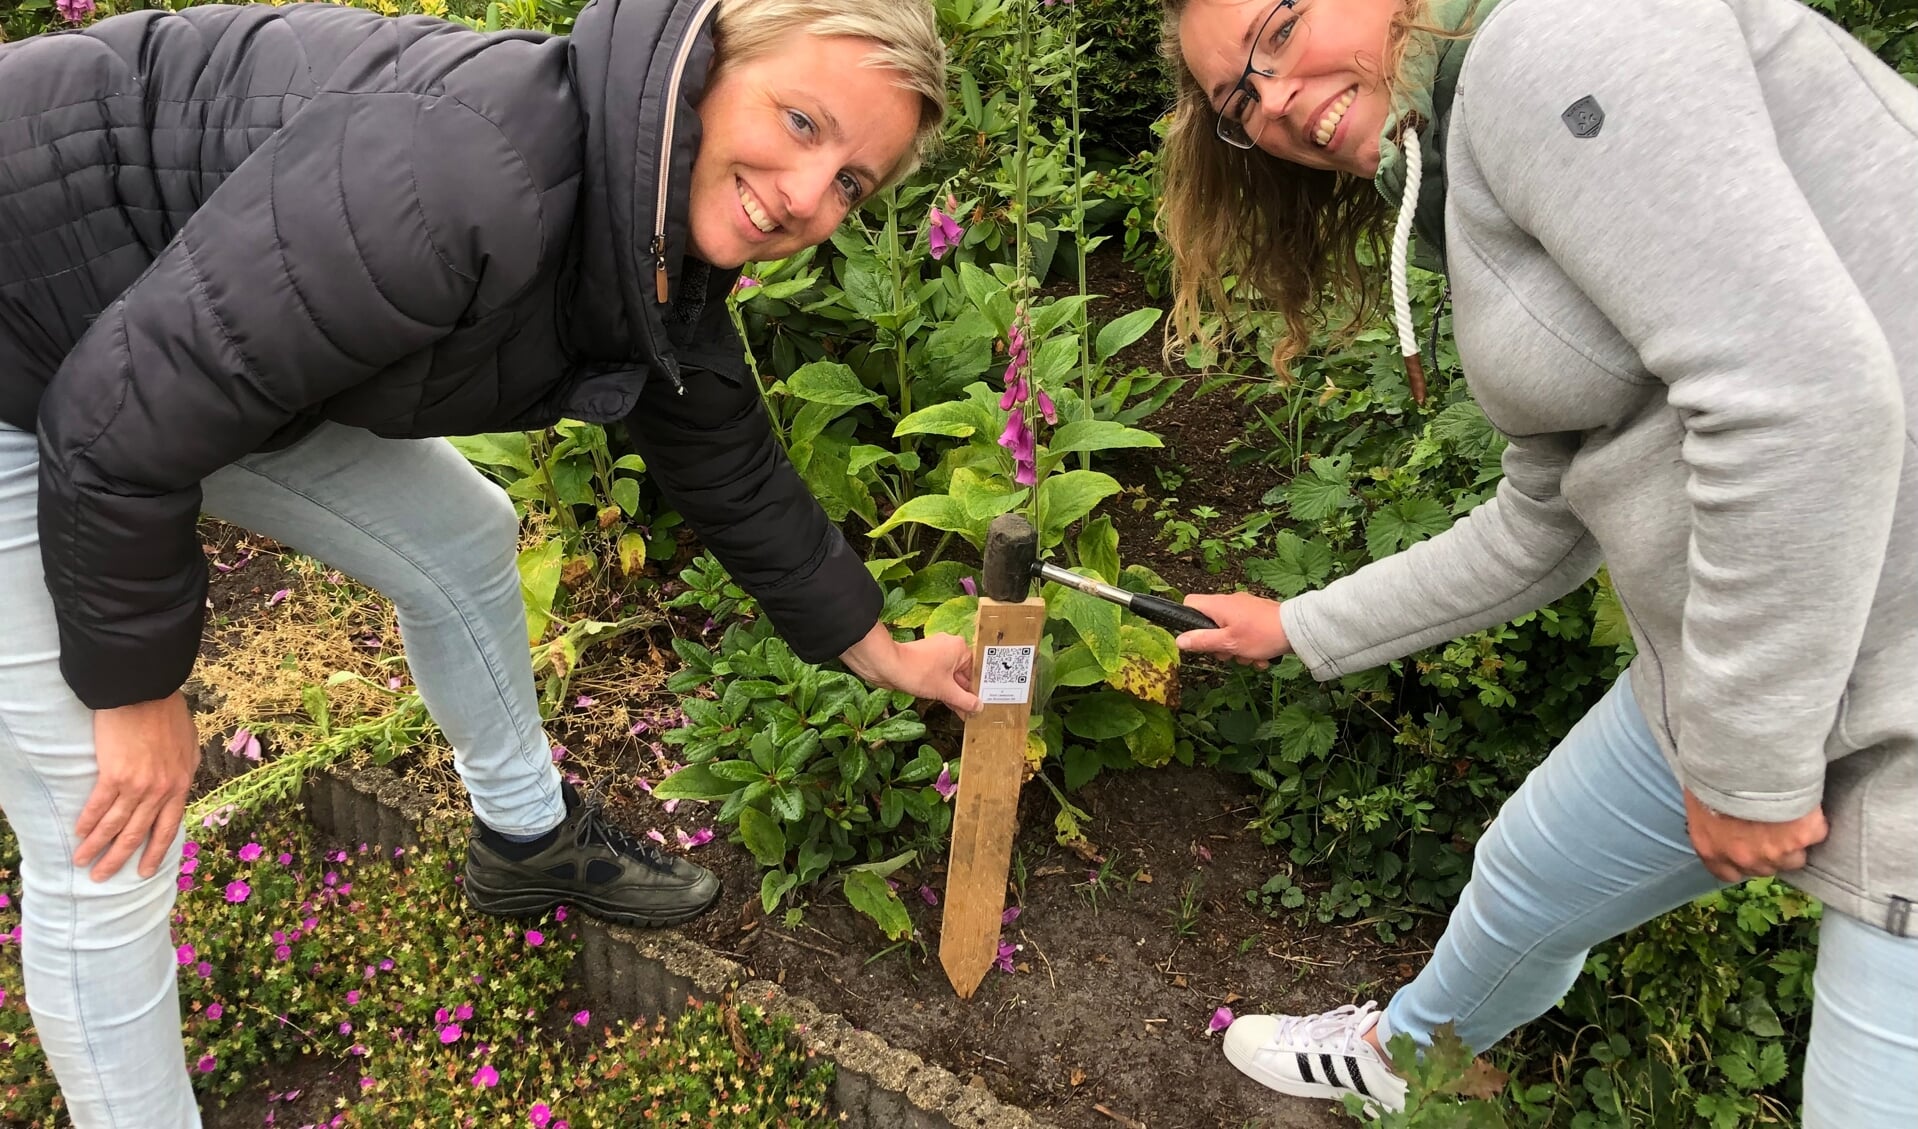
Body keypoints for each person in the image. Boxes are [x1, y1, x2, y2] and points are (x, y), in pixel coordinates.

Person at [0, 0, 979, 1123]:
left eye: (853, 181)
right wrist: (133, 690)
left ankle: (527, 842)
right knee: (104, 825)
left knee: (461, 533)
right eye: (802, 122)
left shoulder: (644, 210)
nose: (810, 197)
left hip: (150, 336)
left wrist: (882, 648)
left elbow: (719, 447)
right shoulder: (463, 175)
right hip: (25, 330)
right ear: (704, 67)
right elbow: (114, 420)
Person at [1161, 0, 1917, 1122]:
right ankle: (1408, 1057)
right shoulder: (1471, 139)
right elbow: (1545, 518)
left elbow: (1801, 403)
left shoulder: (1557, 39)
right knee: (1530, 870)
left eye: (1278, 29)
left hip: (1881, 685)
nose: (1272, 100)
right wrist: (1302, 627)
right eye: (1239, 98)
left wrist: (1744, 765)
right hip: (1761, 657)